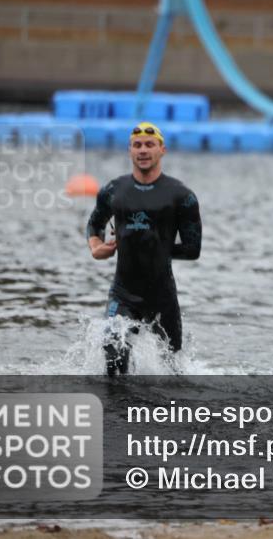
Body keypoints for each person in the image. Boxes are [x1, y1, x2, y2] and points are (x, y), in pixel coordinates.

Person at [86, 122, 202, 376]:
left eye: (150, 145)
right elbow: (95, 226)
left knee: (174, 372)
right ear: (130, 151)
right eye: (137, 145)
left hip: (162, 297)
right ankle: (118, 413)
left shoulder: (181, 196)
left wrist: (153, 244)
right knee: (113, 353)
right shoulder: (113, 191)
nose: (143, 150)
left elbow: (193, 250)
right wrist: (97, 248)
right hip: (123, 293)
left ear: (162, 150)